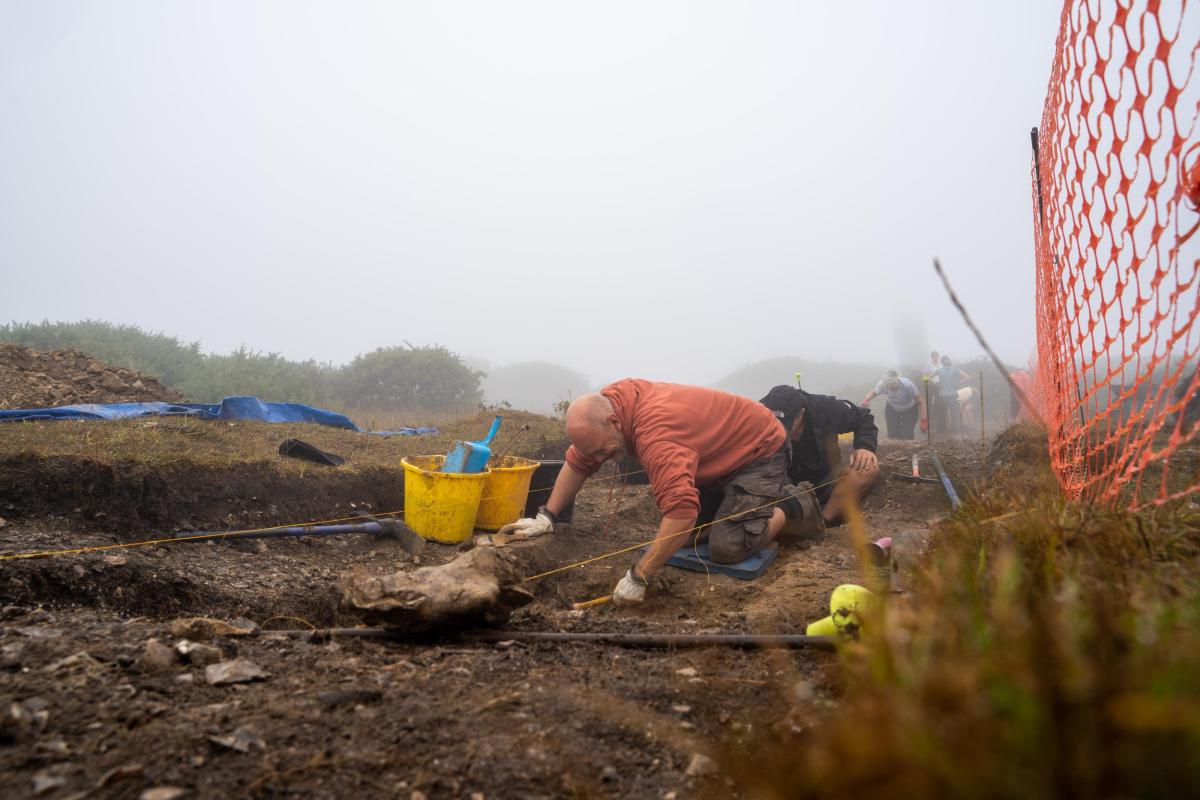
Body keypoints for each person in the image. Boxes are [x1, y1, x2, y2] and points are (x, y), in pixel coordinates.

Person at [497, 379, 822, 604]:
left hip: (760, 449)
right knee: (693, 539)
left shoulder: (657, 434)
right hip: (716, 454)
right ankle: (738, 502)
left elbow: (681, 512)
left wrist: (641, 576)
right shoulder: (610, 408)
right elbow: (578, 461)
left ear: (613, 422)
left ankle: (792, 503)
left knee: (728, 547)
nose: (600, 461)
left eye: (602, 451)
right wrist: (546, 516)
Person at [759, 384, 880, 527]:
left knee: (867, 468)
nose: (780, 429)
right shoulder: (759, 414)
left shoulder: (825, 408)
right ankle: (779, 520)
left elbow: (863, 418)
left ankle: (823, 521)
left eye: (787, 424)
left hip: (827, 478)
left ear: (801, 413)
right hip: (783, 483)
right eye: (775, 424)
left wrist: (865, 447)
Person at [862, 370, 926, 440]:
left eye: (892, 385)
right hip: (892, 408)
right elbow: (874, 392)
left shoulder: (907, 385)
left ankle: (907, 447)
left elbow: (921, 402)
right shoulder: (882, 384)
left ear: (897, 380)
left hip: (910, 409)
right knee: (893, 435)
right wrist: (866, 400)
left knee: (906, 434)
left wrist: (923, 420)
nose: (891, 387)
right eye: (888, 386)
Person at [932, 356, 970, 434]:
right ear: (944, 362)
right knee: (954, 413)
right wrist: (958, 384)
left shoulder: (939, 370)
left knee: (942, 413)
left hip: (943, 394)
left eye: (947, 359)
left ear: (941, 363)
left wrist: (936, 384)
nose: (947, 361)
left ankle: (941, 430)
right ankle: (955, 430)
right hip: (952, 394)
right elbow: (967, 377)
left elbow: (927, 378)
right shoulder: (955, 368)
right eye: (946, 360)